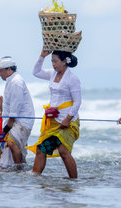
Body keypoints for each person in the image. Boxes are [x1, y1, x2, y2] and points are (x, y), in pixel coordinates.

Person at [26, 49, 81, 178]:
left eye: (55, 61)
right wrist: (42, 56)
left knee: (63, 150)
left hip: (68, 121)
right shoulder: (52, 74)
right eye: (52, 61)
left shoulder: (72, 78)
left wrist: (67, 119)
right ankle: (35, 179)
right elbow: (36, 72)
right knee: (41, 149)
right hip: (53, 121)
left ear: (64, 61)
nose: (53, 64)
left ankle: (73, 181)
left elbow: (77, 102)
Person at [0, 56, 35, 169]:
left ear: (9, 69)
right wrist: (0, 106)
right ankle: (18, 170)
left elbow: (15, 110)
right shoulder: (11, 81)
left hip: (22, 122)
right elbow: (10, 106)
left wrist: (6, 129)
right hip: (12, 122)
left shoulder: (16, 82)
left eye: (1, 70)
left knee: (11, 143)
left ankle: (19, 171)